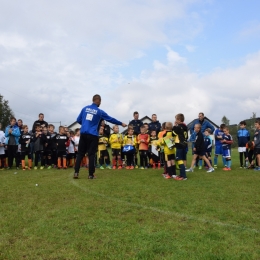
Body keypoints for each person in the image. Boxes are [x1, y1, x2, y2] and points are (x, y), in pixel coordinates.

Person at [74, 94, 126, 179]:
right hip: (93, 135)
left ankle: (76, 173)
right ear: (99, 101)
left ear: (93, 100)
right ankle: (91, 175)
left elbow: (78, 120)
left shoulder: (84, 108)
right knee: (91, 155)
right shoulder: (100, 111)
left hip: (83, 133)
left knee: (80, 154)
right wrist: (121, 123)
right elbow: (110, 119)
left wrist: (85, 125)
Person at [172, 113, 188, 180]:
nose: (175, 120)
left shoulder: (178, 127)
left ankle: (183, 176)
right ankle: (182, 174)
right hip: (184, 145)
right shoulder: (185, 127)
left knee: (179, 160)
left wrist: (174, 126)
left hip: (179, 145)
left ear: (179, 120)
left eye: (176, 119)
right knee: (182, 159)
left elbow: (173, 134)